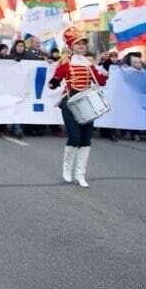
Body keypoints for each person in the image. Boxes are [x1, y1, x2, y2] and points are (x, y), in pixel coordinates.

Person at [48, 27, 107, 188]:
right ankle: (67, 169)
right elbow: (54, 81)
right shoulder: (66, 62)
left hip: (87, 103)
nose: (81, 46)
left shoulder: (89, 63)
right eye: (78, 44)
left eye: (83, 44)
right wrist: (53, 82)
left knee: (86, 139)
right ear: (71, 46)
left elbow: (100, 82)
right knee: (74, 137)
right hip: (70, 102)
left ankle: (80, 174)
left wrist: (105, 68)